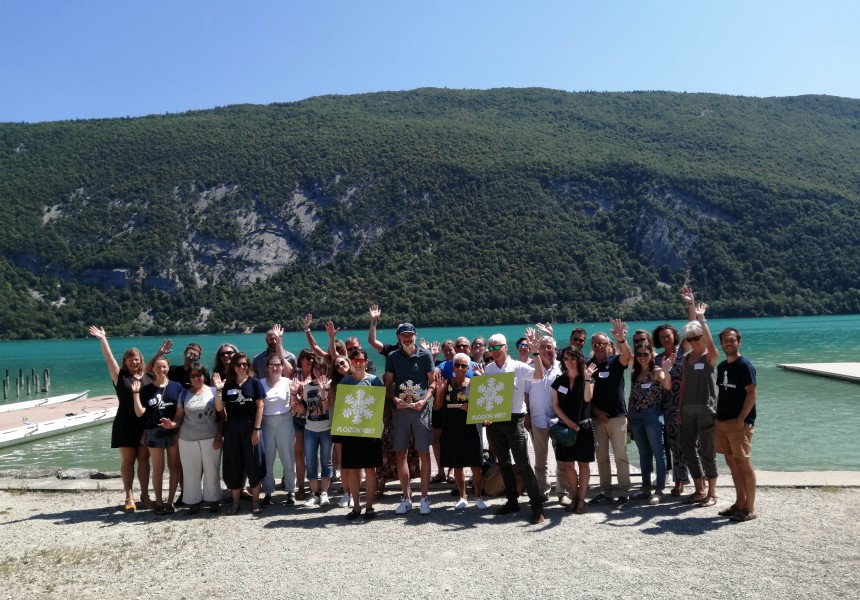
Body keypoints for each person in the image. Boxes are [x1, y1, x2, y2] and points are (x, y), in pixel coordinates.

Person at [87, 326, 151, 512]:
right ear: (125, 361)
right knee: (128, 461)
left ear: (140, 361)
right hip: (125, 423)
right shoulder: (120, 376)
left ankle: (145, 496)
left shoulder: (147, 378)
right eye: (130, 360)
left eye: (136, 359)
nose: (133, 362)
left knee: (144, 461)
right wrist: (103, 339)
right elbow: (109, 359)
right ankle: (129, 496)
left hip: (144, 424)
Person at [484, 333, 545, 524]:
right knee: (503, 463)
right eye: (491, 348)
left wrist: (535, 353)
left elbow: (539, 376)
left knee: (523, 464)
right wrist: (484, 415)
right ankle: (512, 501)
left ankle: (537, 507)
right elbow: (487, 396)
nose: (494, 351)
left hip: (514, 420)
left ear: (505, 347)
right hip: (494, 422)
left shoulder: (518, 366)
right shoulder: (489, 368)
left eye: (497, 347)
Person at [383, 322, 436, 516]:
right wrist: (394, 398)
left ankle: (424, 498)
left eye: (410, 335)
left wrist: (425, 401)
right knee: (400, 453)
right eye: (403, 335)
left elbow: (432, 384)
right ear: (398, 337)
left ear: (415, 335)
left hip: (420, 409)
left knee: (423, 453)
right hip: (400, 411)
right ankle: (406, 497)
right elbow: (388, 384)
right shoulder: (392, 357)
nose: (407, 338)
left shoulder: (426, 355)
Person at [677, 294, 720, 508]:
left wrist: (702, 320)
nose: (694, 341)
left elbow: (711, 344)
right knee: (687, 449)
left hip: (706, 410)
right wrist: (679, 408)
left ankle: (711, 494)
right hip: (687, 410)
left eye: (697, 338)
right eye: (691, 339)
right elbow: (683, 384)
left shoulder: (709, 356)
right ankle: (699, 489)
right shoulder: (686, 358)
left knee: (707, 451)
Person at [586, 319, 633, 506]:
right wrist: (597, 412)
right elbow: (586, 395)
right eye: (595, 344)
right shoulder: (589, 366)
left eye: (602, 344)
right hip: (598, 419)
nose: (598, 347)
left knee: (621, 456)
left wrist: (622, 340)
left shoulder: (615, 362)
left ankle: (623, 492)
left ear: (608, 345)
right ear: (592, 346)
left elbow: (627, 356)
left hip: (618, 418)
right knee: (602, 458)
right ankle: (606, 491)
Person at [213, 352, 266, 515]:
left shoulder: (255, 383)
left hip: (251, 427)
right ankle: (235, 502)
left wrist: (257, 429)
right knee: (233, 464)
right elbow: (219, 408)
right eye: (238, 364)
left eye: (245, 364)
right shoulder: (227, 385)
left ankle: (256, 501)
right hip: (232, 428)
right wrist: (219, 390)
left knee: (254, 464)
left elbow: (260, 406)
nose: (242, 367)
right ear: (233, 367)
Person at [434, 352, 487, 510]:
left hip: (472, 428)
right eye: (457, 365)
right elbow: (437, 407)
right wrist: (440, 392)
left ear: (468, 367)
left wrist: (471, 408)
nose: (460, 368)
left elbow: (483, 407)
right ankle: (463, 497)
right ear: (452, 366)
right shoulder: (446, 383)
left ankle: (478, 497)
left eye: (464, 366)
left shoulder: (475, 383)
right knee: (457, 465)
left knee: (476, 465)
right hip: (452, 427)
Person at [715, 327, 758, 522]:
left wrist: (742, 418)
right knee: (732, 463)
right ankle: (739, 503)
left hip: (739, 423)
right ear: (721, 343)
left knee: (743, 463)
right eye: (725, 340)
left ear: (739, 342)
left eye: (732, 340)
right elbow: (723, 393)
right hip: (723, 422)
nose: (728, 343)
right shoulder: (723, 366)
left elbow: (751, 393)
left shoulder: (745, 366)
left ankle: (749, 508)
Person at [131, 356, 183, 514]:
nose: (161, 370)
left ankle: (170, 502)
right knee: (158, 469)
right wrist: (135, 394)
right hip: (153, 432)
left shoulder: (177, 387)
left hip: (173, 431)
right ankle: (159, 502)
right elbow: (140, 413)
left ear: (168, 368)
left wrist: (174, 425)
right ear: (152, 369)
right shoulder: (146, 389)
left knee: (174, 467)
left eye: (164, 367)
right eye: (158, 367)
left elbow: (181, 413)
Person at [551, 347, 598, 515]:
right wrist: (568, 421)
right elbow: (555, 405)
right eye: (565, 359)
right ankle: (574, 497)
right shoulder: (559, 380)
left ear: (578, 358)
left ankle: (581, 500)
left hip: (583, 427)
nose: (569, 361)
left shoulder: (587, 378)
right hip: (565, 427)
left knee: (584, 465)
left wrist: (587, 379)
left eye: (572, 358)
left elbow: (587, 399)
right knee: (568, 465)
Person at [338, 349, 384, 520]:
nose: (358, 363)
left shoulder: (374, 381)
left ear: (366, 361)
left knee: (370, 470)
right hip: (350, 432)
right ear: (351, 361)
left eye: (361, 360)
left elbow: (379, 407)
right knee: (352, 470)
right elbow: (342, 410)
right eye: (354, 360)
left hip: (369, 431)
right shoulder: (345, 382)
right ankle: (356, 506)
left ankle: (369, 506)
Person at [173, 363, 223, 514]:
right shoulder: (183, 394)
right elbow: (178, 417)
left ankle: (213, 499)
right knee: (190, 472)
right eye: (193, 376)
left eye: (199, 375)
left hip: (211, 437)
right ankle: (193, 501)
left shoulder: (214, 391)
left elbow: (222, 415)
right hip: (187, 439)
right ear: (189, 378)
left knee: (212, 470)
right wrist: (172, 424)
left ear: (204, 376)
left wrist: (219, 436)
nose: (196, 378)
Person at [527, 331, 568, 503]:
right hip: (537, 419)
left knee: (562, 459)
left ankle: (562, 493)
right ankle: (542, 491)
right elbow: (524, 394)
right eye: (542, 347)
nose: (545, 350)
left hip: (559, 420)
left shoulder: (563, 368)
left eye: (549, 347)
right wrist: (526, 415)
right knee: (540, 460)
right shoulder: (530, 368)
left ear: (555, 349)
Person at [627, 344, 669, 505]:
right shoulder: (634, 372)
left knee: (659, 453)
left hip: (653, 414)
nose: (642, 357)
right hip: (636, 416)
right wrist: (629, 417)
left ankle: (659, 490)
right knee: (643, 453)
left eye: (645, 354)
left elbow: (667, 387)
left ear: (651, 354)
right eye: (639, 354)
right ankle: (645, 488)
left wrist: (666, 370)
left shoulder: (657, 372)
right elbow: (632, 396)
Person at [653, 322, 690, 496]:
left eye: (668, 335)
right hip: (668, 406)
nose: (666, 338)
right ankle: (679, 480)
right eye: (662, 337)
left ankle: (696, 479)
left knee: (690, 444)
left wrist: (691, 307)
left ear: (675, 336)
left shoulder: (683, 352)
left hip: (686, 403)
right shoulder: (657, 359)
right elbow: (661, 386)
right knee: (674, 445)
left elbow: (692, 328)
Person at [296, 356, 333, 507]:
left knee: (326, 461)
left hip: (326, 429)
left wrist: (323, 392)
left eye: (321, 368)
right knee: (310, 462)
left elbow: (326, 408)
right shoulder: (307, 387)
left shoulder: (330, 386)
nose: (318, 371)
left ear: (326, 369)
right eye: (315, 368)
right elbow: (306, 409)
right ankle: (314, 494)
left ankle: (324, 493)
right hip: (310, 428)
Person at [260, 354, 296, 506]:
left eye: (278, 365)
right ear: (267, 368)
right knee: (267, 459)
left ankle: (290, 491)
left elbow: (294, 405)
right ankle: (268, 492)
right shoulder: (260, 383)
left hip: (285, 420)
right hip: (266, 423)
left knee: (287, 457)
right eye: (271, 365)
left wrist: (294, 392)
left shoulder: (289, 382)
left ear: (282, 366)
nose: (275, 368)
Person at [291, 348, 315, 499]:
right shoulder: (295, 375)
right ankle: (301, 487)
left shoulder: (319, 375)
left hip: (313, 420)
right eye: (307, 358)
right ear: (300, 360)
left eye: (312, 358)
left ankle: (313, 488)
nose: (310, 360)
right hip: (297, 419)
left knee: (312, 455)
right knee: (299, 454)